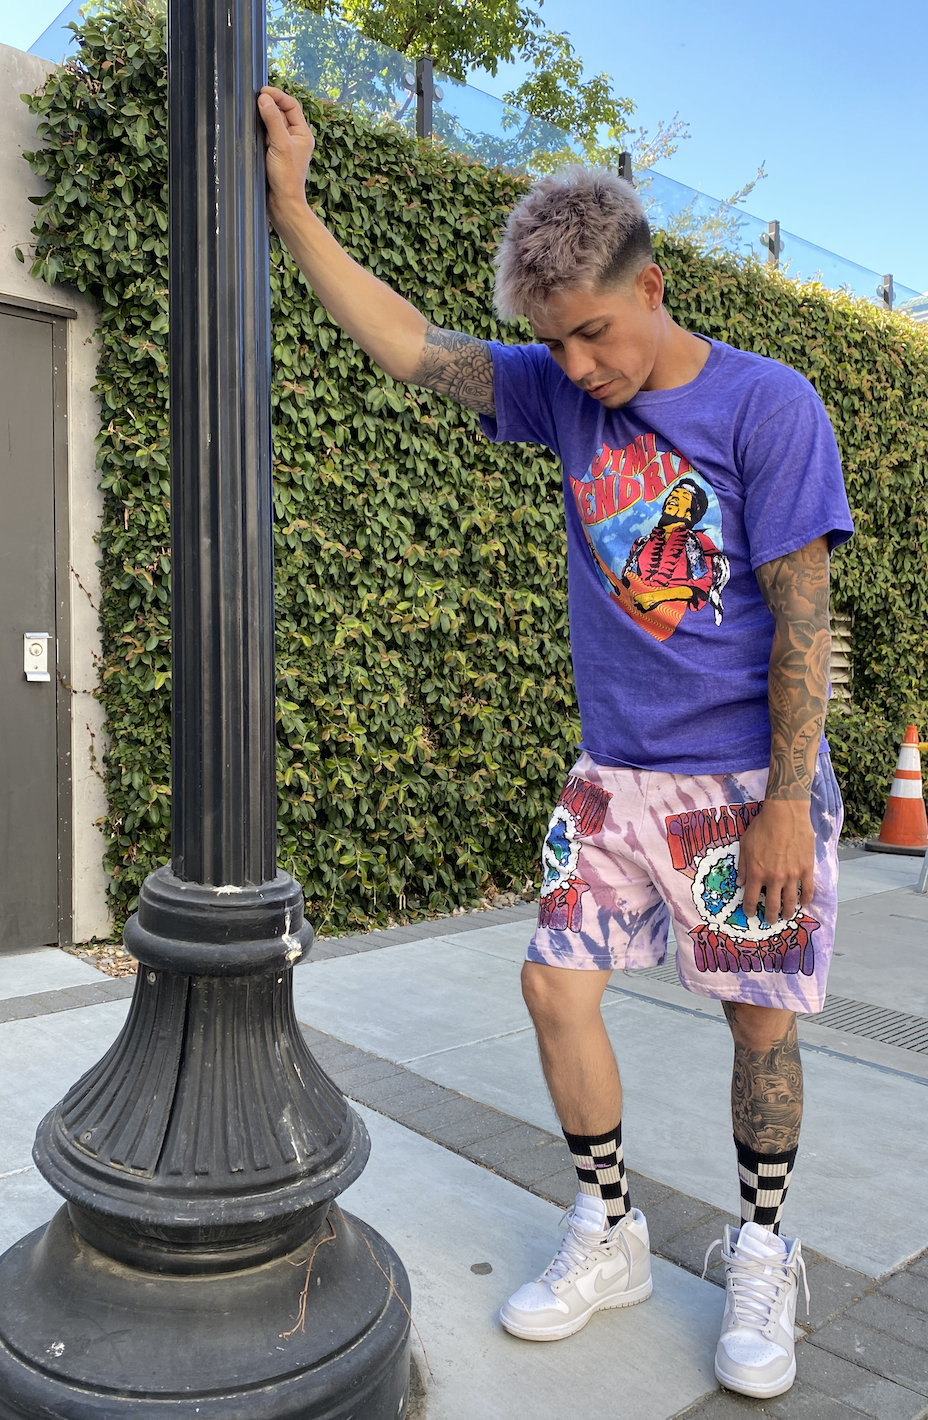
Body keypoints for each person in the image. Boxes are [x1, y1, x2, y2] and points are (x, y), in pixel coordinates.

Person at [258, 85, 853, 1401]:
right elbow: (411, 345)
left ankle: (762, 1246)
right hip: (613, 775)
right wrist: (293, 205)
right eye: (556, 343)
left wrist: (784, 809)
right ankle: (613, 1228)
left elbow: (805, 613)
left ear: (654, 284)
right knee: (552, 986)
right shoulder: (559, 395)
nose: (578, 365)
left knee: (759, 1026)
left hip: (746, 782)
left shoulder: (770, 406)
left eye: (593, 332)